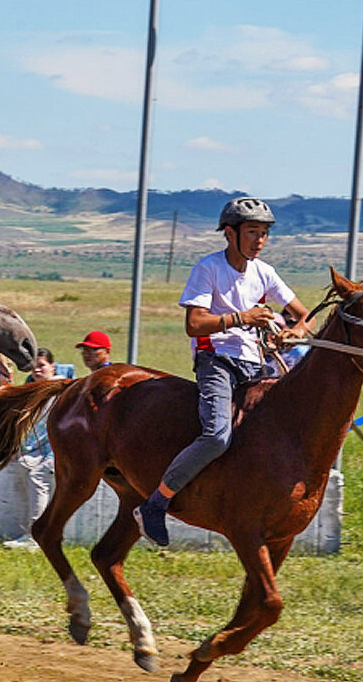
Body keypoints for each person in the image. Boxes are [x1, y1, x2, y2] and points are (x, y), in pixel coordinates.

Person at [132, 196, 310, 547]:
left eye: (264, 234)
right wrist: (243, 318)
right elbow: (194, 324)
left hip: (257, 363)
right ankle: (156, 503)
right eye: (252, 232)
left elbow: (305, 315)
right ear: (230, 234)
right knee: (217, 436)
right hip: (216, 360)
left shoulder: (265, 272)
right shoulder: (208, 268)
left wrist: (295, 332)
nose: (259, 240)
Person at [0, 347, 63, 549]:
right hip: (39, 448)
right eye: (34, 367)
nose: (37, 370)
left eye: (42, 365)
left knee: (37, 476)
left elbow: (46, 426)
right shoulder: (34, 389)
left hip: (55, 450)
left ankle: (36, 535)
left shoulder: (57, 389)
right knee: (28, 471)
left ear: (53, 366)